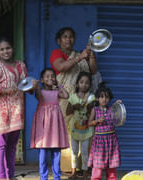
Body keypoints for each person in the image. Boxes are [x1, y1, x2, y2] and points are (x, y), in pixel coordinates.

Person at [0, 37, 36, 180]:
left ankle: (10, 176)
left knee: (12, 146)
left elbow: (26, 86)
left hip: (17, 110)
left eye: (8, 48)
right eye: (2, 49)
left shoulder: (21, 65)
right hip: (1, 111)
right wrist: (3, 90)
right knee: (0, 145)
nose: (6, 51)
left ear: (13, 49)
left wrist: (32, 87)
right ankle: (1, 176)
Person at [50, 26, 98, 172]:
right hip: (64, 99)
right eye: (65, 37)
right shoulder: (56, 53)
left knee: (84, 131)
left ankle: (84, 166)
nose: (68, 39)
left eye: (71, 36)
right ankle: (68, 167)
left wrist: (91, 56)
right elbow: (62, 67)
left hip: (81, 98)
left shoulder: (80, 54)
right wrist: (80, 57)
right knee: (67, 132)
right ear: (59, 40)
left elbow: (93, 70)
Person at [30, 68, 69, 180]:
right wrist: (36, 86)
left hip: (55, 124)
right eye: (47, 76)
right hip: (43, 123)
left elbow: (66, 96)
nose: (50, 78)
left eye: (52, 76)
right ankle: (43, 176)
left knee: (56, 150)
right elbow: (38, 96)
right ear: (42, 80)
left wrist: (59, 86)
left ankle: (57, 176)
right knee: (42, 150)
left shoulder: (57, 92)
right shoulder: (40, 91)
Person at [88, 83, 122, 180]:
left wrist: (118, 104)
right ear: (97, 98)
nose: (104, 99)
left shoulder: (112, 110)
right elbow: (89, 123)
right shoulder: (95, 110)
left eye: (106, 97)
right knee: (97, 167)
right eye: (101, 97)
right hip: (99, 141)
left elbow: (119, 117)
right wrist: (97, 121)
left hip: (111, 141)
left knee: (111, 166)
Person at [65, 71, 94, 180]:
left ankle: (85, 172)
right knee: (74, 151)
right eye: (81, 82)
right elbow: (68, 112)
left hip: (86, 130)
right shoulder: (72, 97)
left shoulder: (91, 97)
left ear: (90, 85)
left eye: (87, 83)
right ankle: (74, 173)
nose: (84, 85)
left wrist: (89, 107)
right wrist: (73, 107)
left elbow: (92, 111)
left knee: (85, 151)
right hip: (74, 129)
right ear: (77, 84)